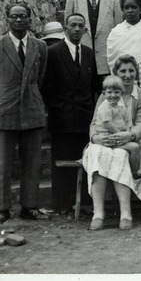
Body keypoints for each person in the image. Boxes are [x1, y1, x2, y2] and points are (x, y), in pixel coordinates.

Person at [0, 3, 49, 224]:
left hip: (32, 111)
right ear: (7, 20)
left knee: (32, 162)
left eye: (23, 17)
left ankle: (29, 206)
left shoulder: (40, 46)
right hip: (3, 112)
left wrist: (32, 98)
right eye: (14, 17)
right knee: (2, 162)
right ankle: (1, 208)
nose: (18, 20)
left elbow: (40, 79)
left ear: (30, 20)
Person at [81, 54, 141, 230]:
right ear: (115, 73)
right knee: (97, 152)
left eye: (131, 70)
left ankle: (125, 213)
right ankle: (98, 213)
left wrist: (129, 135)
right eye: (123, 71)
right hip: (104, 140)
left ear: (136, 72)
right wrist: (95, 138)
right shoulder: (106, 95)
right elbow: (94, 123)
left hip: (128, 142)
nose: (127, 75)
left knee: (120, 155)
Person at [41, 13, 95, 213]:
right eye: (73, 25)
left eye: (81, 26)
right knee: (61, 162)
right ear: (66, 28)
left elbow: (92, 86)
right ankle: (61, 204)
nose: (77, 29)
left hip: (84, 118)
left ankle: (85, 204)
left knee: (85, 159)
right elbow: (46, 86)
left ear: (85, 30)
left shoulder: (88, 53)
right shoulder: (54, 52)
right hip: (62, 118)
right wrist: (58, 107)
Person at [64, 0, 123, 95]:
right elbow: (68, 30)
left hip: (105, 58)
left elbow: (119, 31)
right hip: (81, 56)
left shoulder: (113, 0)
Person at [93, 75, 141, 180]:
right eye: (109, 92)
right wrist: (120, 134)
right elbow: (107, 124)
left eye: (116, 92)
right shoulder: (105, 106)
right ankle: (133, 174)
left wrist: (127, 133)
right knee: (134, 147)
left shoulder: (117, 106)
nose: (113, 95)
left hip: (117, 135)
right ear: (103, 93)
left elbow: (122, 122)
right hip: (109, 138)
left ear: (121, 93)